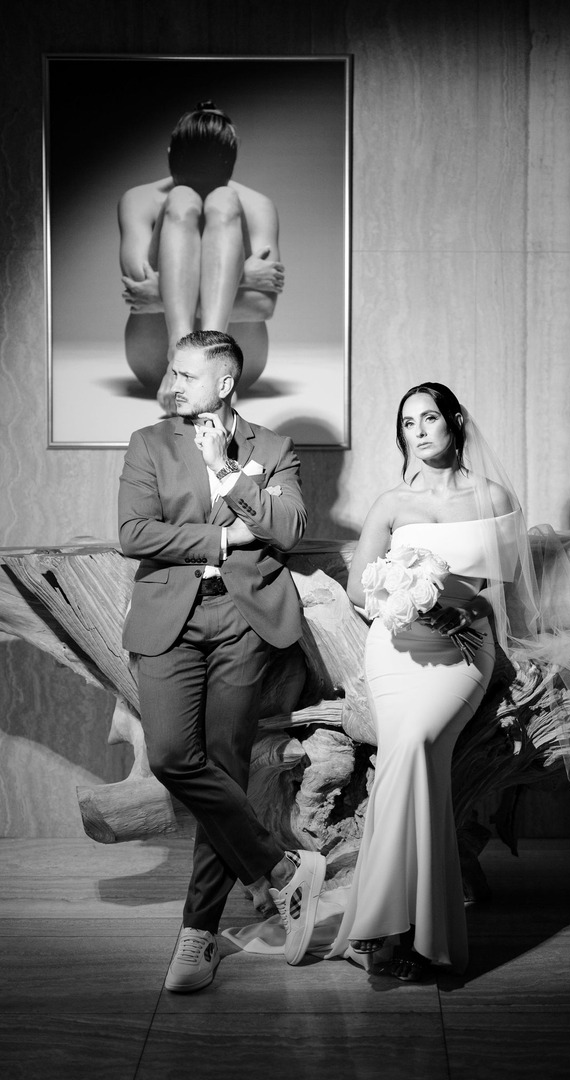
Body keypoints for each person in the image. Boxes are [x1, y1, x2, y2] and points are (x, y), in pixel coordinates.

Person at [118, 329, 325, 992]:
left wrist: (232, 473)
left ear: (226, 382)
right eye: (172, 371)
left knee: (227, 766)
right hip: (170, 618)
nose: (173, 383)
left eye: (187, 374)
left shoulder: (272, 448)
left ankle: (198, 934)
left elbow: (289, 529)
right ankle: (281, 866)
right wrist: (225, 534)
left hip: (244, 621)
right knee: (172, 757)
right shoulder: (149, 443)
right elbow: (134, 532)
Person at [326, 381, 542, 980]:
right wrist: (408, 600)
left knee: (418, 744)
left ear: (454, 422)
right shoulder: (391, 504)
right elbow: (357, 588)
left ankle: (390, 927)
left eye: (428, 418)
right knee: (407, 748)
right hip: (396, 647)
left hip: (464, 646)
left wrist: (461, 607)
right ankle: (408, 932)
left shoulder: (493, 497)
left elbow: (503, 590)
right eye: (407, 423)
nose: (418, 431)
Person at [118, 102, 284, 414]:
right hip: (155, 361)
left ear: (170, 153)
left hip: (235, 367)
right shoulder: (138, 201)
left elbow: (263, 306)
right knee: (181, 199)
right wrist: (242, 276)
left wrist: (168, 291)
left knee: (224, 200)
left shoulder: (257, 205)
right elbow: (140, 294)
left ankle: (207, 352)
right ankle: (178, 354)